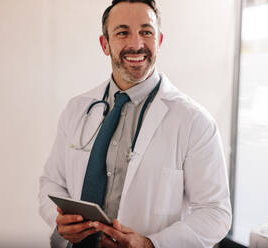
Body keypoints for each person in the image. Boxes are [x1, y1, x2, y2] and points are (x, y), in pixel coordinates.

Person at [39, 0, 232, 247]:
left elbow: (216, 213)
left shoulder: (195, 121)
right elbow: (51, 182)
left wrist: (150, 244)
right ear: (105, 44)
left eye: (146, 32)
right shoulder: (76, 109)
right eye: (122, 33)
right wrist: (59, 221)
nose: (136, 44)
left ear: (159, 40)